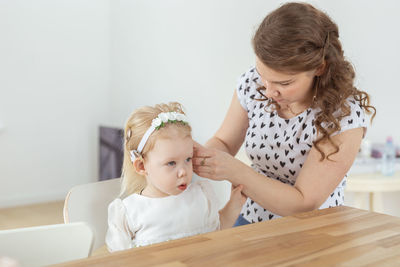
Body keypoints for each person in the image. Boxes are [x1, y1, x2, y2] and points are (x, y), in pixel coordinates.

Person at [192, 2, 376, 226]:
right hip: (252, 218)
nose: (268, 91)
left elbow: (303, 203)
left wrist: (236, 172)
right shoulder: (253, 83)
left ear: (319, 68)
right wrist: (193, 157)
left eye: (284, 83)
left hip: (316, 230)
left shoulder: (344, 116)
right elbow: (223, 142)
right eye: (263, 76)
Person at [106, 102, 245, 251]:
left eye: (188, 159)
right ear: (141, 166)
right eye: (171, 163)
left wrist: (234, 206)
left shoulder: (202, 195)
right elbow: (121, 260)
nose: (183, 171)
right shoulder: (130, 211)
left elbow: (216, 231)